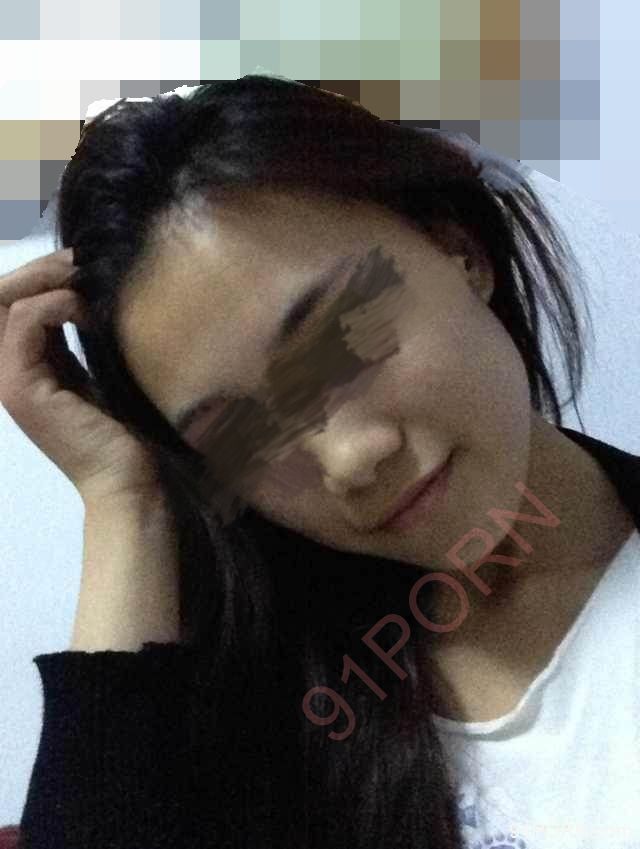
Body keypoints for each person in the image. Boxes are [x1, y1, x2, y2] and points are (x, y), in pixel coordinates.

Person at [1, 75, 638, 848]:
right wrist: (122, 499)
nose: (349, 458)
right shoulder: (271, 710)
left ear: (461, 253)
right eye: (240, 436)